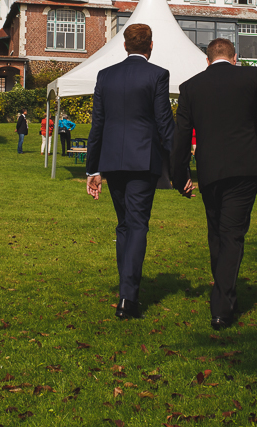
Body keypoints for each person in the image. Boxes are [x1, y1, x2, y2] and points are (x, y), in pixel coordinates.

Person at [170, 38, 257, 331]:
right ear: (235, 58)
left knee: (217, 232)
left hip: (210, 169)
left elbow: (181, 136)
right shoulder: (251, 77)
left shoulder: (191, 86)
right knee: (231, 234)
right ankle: (222, 306)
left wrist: (180, 175)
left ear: (207, 61)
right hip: (246, 167)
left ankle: (224, 297)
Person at [86, 24, 175, 320]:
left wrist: (93, 169)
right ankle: (128, 297)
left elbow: (97, 124)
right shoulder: (157, 75)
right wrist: (178, 164)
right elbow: (164, 123)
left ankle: (126, 288)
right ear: (150, 46)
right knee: (137, 225)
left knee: (124, 224)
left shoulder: (105, 76)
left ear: (124, 46)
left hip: (111, 159)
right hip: (142, 158)